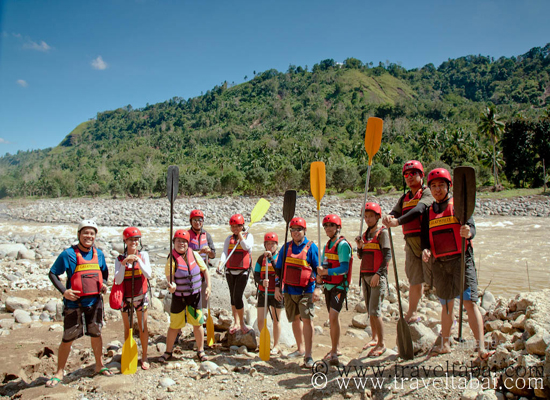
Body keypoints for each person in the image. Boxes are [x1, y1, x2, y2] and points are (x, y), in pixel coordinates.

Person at [421, 168, 490, 360]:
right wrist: (425, 250)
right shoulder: (428, 212)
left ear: (448, 186)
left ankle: (481, 347)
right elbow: (425, 239)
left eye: (441, 185)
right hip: (440, 264)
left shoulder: (459, 206)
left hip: (461, 260)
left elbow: (472, 228)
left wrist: (469, 232)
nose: (437, 190)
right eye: (433, 186)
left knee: (469, 303)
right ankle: (445, 345)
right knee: (447, 306)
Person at [46, 220, 111, 388]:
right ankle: (59, 372)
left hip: (94, 301)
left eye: (92, 233)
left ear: (95, 236)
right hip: (73, 303)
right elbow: (53, 273)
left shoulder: (100, 254)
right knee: (68, 338)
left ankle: (99, 364)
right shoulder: (68, 254)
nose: (89, 236)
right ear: (79, 235)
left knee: (96, 333)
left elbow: (104, 273)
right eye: (85, 233)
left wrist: (103, 283)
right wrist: (64, 291)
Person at [382, 160, 434, 324]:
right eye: (407, 175)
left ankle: (447, 316)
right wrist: (389, 217)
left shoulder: (427, 193)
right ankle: (411, 313)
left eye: (414, 174)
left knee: (436, 281)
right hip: (410, 244)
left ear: (421, 175)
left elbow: (420, 209)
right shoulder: (404, 197)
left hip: (428, 243)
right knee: (414, 280)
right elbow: (395, 212)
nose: (410, 177)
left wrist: (398, 222)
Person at [160, 229, 212, 363]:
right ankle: (168, 351)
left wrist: (209, 286)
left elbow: (205, 270)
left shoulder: (194, 255)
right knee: (174, 326)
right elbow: (170, 280)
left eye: (184, 242)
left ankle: (200, 350)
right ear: (174, 243)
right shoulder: (171, 259)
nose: (181, 244)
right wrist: (172, 287)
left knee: (198, 323)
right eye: (178, 241)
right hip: (179, 297)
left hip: (194, 296)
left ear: (188, 243)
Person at [274, 217, 319, 368]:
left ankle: (308, 355)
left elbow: (318, 270)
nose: (295, 232)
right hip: (289, 289)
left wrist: (318, 288)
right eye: (293, 230)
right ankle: (300, 349)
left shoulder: (311, 247)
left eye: (299, 229)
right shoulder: (286, 248)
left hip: (306, 289)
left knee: (307, 320)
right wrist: (277, 287)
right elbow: (279, 269)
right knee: (294, 319)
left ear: (304, 231)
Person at [114, 227, 152, 370]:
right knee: (127, 328)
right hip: (126, 299)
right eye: (131, 240)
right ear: (125, 241)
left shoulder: (144, 255)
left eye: (136, 240)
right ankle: (129, 355)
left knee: (143, 327)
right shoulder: (119, 259)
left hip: (141, 297)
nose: (134, 242)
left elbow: (148, 274)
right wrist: (124, 263)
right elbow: (118, 280)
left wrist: (138, 261)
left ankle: (145, 356)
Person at [355, 203, 390, 358]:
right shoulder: (365, 234)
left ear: (377, 217)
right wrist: (360, 247)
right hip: (366, 276)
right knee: (370, 311)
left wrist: (378, 274)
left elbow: (387, 256)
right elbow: (361, 256)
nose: (368, 219)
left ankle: (382, 344)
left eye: (371, 216)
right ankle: (374, 338)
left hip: (377, 276)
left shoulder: (383, 233)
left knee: (376, 311)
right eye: (366, 216)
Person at [316, 214, 352, 364]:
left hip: (339, 287)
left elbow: (344, 268)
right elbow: (325, 264)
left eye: (331, 226)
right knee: (333, 318)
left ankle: (335, 352)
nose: (328, 228)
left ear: (338, 227)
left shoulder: (343, 245)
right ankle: (335, 347)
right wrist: (319, 277)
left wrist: (326, 272)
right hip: (328, 286)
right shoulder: (326, 246)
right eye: (326, 226)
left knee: (332, 317)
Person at [217, 214, 254, 334]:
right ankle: (236, 321)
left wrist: (240, 237)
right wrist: (221, 263)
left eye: (237, 226)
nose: (235, 229)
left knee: (238, 296)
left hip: (243, 271)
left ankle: (242, 323)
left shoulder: (249, 237)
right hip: (230, 271)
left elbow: (246, 247)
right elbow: (224, 252)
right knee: (232, 297)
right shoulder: (229, 239)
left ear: (242, 226)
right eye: (233, 227)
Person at [254, 232, 283, 355]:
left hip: (276, 294)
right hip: (263, 293)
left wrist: (271, 258)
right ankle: (265, 341)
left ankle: (276, 345)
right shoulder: (261, 259)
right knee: (261, 320)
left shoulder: (279, 257)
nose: (270, 246)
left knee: (276, 320)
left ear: (276, 245)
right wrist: (261, 281)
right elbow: (255, 274)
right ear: (264, 245)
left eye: (273, 244)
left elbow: (279, 271)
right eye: (268, 244)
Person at [187, 209, 216, 311]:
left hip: (204, 270)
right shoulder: (187, 235)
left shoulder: (207, 235)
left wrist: (209, 252)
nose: (197, 222)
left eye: (200, 220)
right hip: (191, 270)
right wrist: (200, 252)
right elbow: (184, 254)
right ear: (191, 222)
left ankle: (202, 316)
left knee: (204, 296)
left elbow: (213, 255)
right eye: (195, 220)